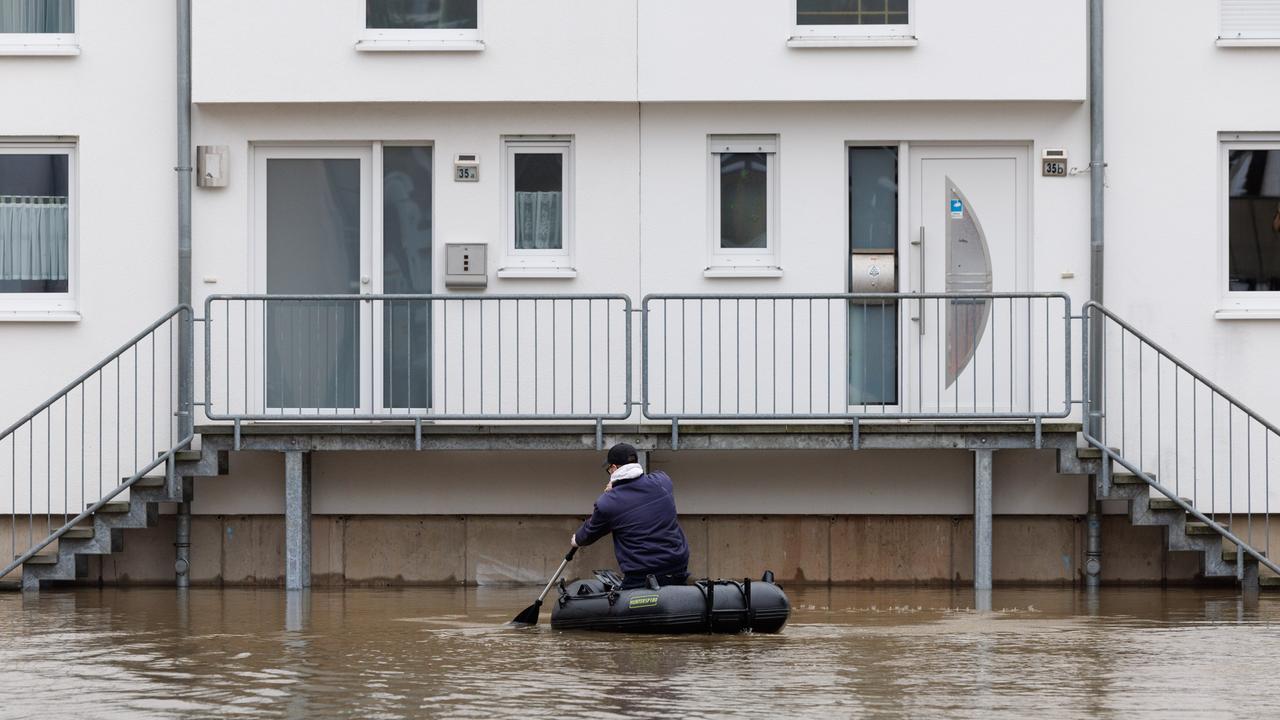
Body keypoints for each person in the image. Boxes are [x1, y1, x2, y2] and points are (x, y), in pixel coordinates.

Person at [570, 443, 690, 590]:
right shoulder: (663, 481)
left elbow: (588, 534)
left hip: (641, 575)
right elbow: (648, 480)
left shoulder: (608, 502)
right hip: (677, 566)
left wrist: (576, 539)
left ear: (613, 468)